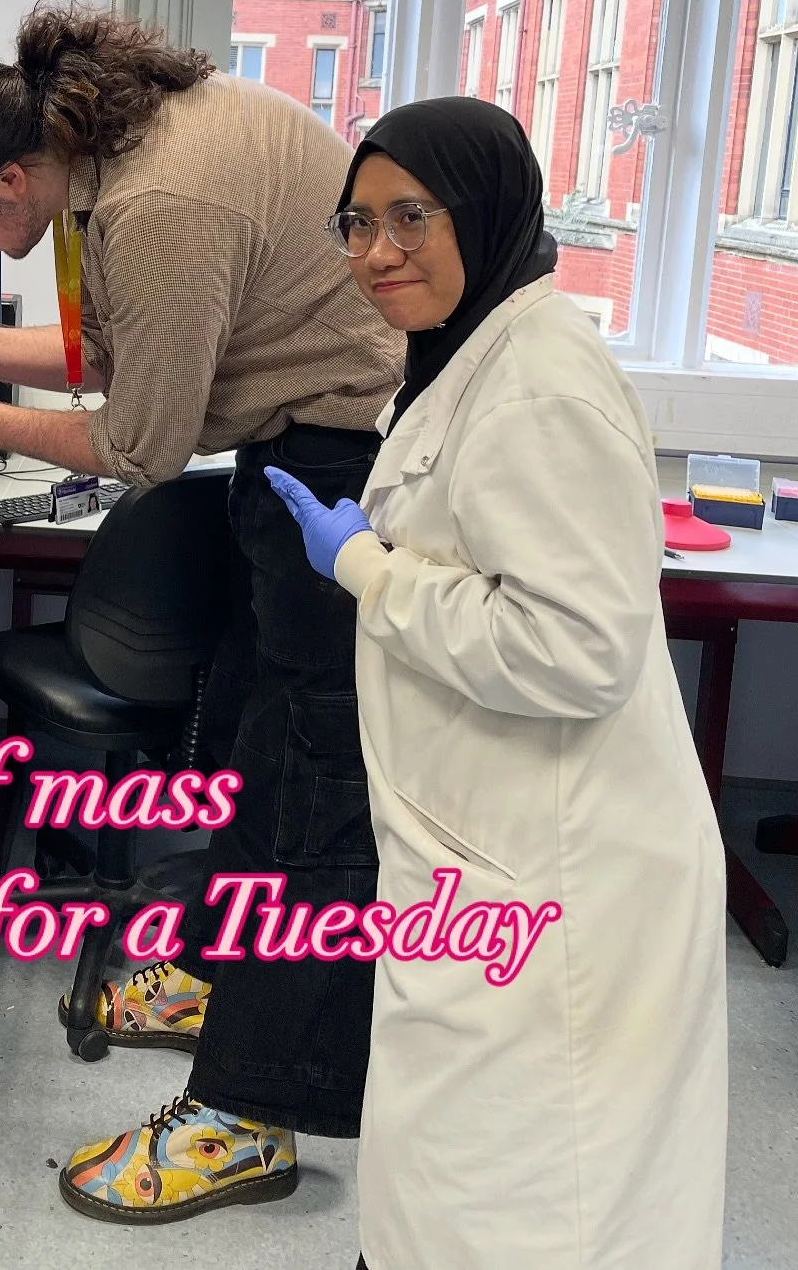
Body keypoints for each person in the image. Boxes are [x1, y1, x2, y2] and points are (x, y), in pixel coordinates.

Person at [0, 1, 404, 1221]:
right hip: (292, 448)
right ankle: (216, 979)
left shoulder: (157, 200)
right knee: (260, 752)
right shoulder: (94, 160)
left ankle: (250, 1116)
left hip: (338, 461)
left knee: (309, 789)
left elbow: (145, 442)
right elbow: (113, 349)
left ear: (9, 176)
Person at [267, 97, 728, 1269]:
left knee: (528, 1194)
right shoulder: (474, 352)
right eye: (357, 223)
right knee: (459, 1179)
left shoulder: (538, 382)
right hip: (493, 835)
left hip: (559, 863)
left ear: (485, 211)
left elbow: (574, 647)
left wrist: (366, 566)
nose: (377, 252)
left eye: (410, 216)